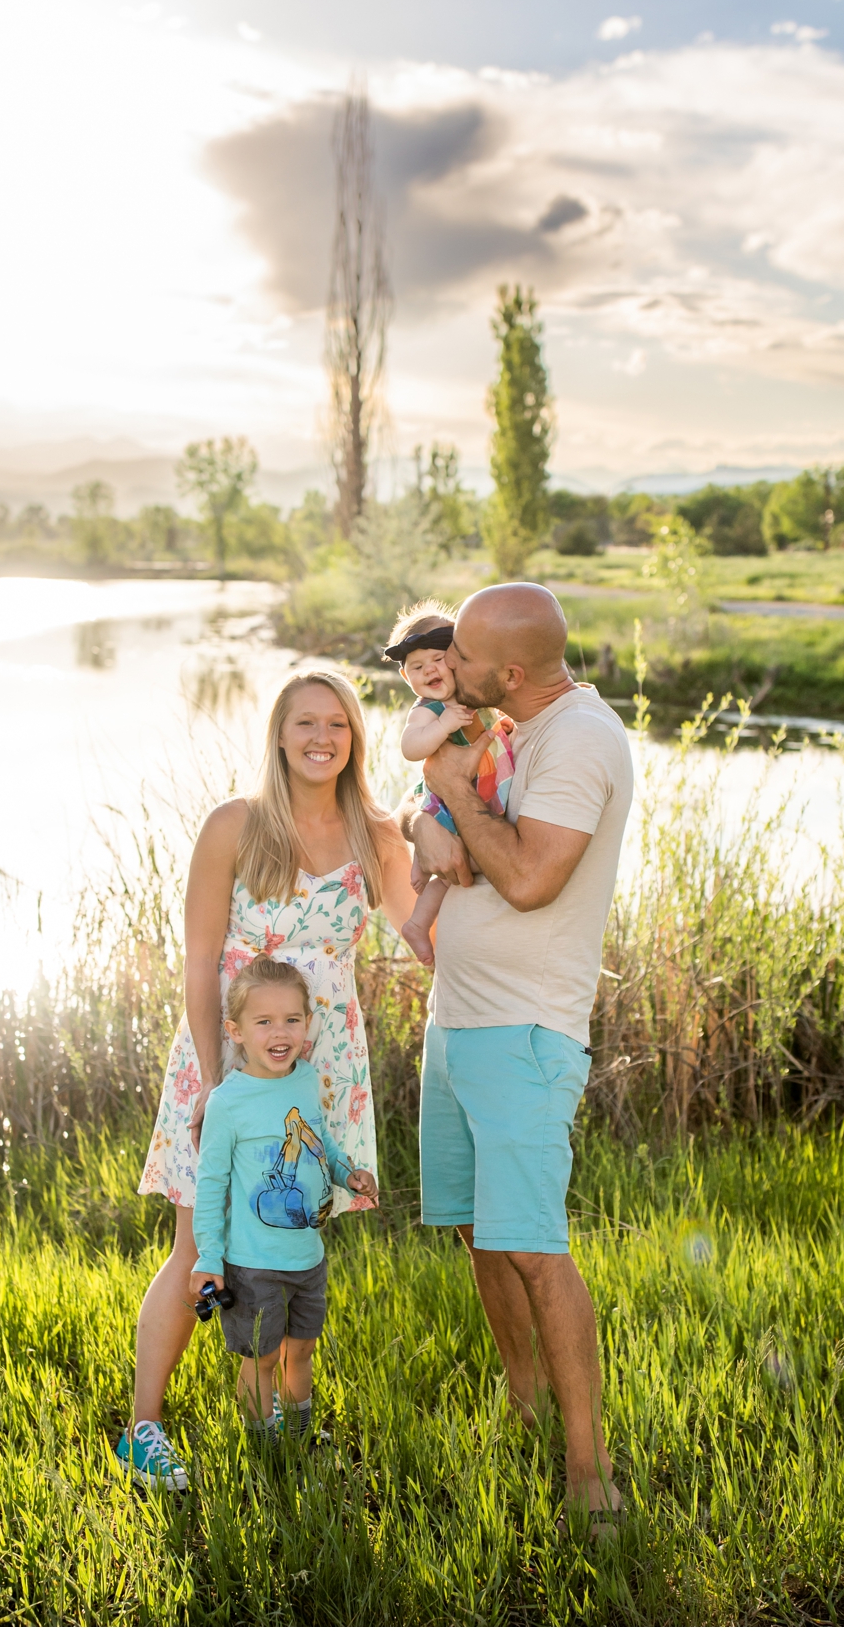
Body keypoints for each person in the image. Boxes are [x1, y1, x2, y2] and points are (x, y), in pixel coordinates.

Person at [117, 670, 416, 1492]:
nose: (322, 737)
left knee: (284, 1243)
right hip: (228, 1065)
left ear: (354, 738)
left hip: (318, 1073)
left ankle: (275, 1419)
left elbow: (423, 934)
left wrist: (455, 820)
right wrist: (218, 1089)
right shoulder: (236, 827)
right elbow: (203, 961)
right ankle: (144, 1430)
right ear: (280, 735)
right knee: (196, 1246)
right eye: (305, 722)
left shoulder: (378, 835)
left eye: (339, 725)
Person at [402, 581, 635, 1537]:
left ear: (509, 671)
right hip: (457, 1022)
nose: (443, 667)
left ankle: (589, 1467)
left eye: (460, 656)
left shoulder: (579, 739)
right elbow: (429, 830)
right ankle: (524, 1405)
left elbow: (535, 878)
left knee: (534, 1247)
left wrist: (449, 792)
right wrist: (427, 819)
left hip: (525, 1032)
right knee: (477, 1232)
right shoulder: (511, 725)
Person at [189, 956, 378, 1447]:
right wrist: (208, 1257)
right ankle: (264, 1446)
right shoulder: (228, 1102)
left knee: (302, 1353)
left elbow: (323, 1143)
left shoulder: (304, 1079)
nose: (281, 1031)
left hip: (307, 1260)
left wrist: (347, 1173)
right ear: (235, 1031)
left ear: (307, 1025)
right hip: (253, 1266)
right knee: (263, 1359)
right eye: (264, 1021)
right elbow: (210, 1185)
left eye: (292, 1019)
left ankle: (298, 1437)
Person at [384, 604, 517, 967]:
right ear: (405, 676)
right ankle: (417, 923)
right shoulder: (429, 709)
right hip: (450, 802)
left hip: (481, 789)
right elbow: (410, 747)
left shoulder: (472, 696)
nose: (429, 669)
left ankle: (421, 875)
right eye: (417, 666)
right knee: (451, 861)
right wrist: (442, 727)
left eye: (438, 658)